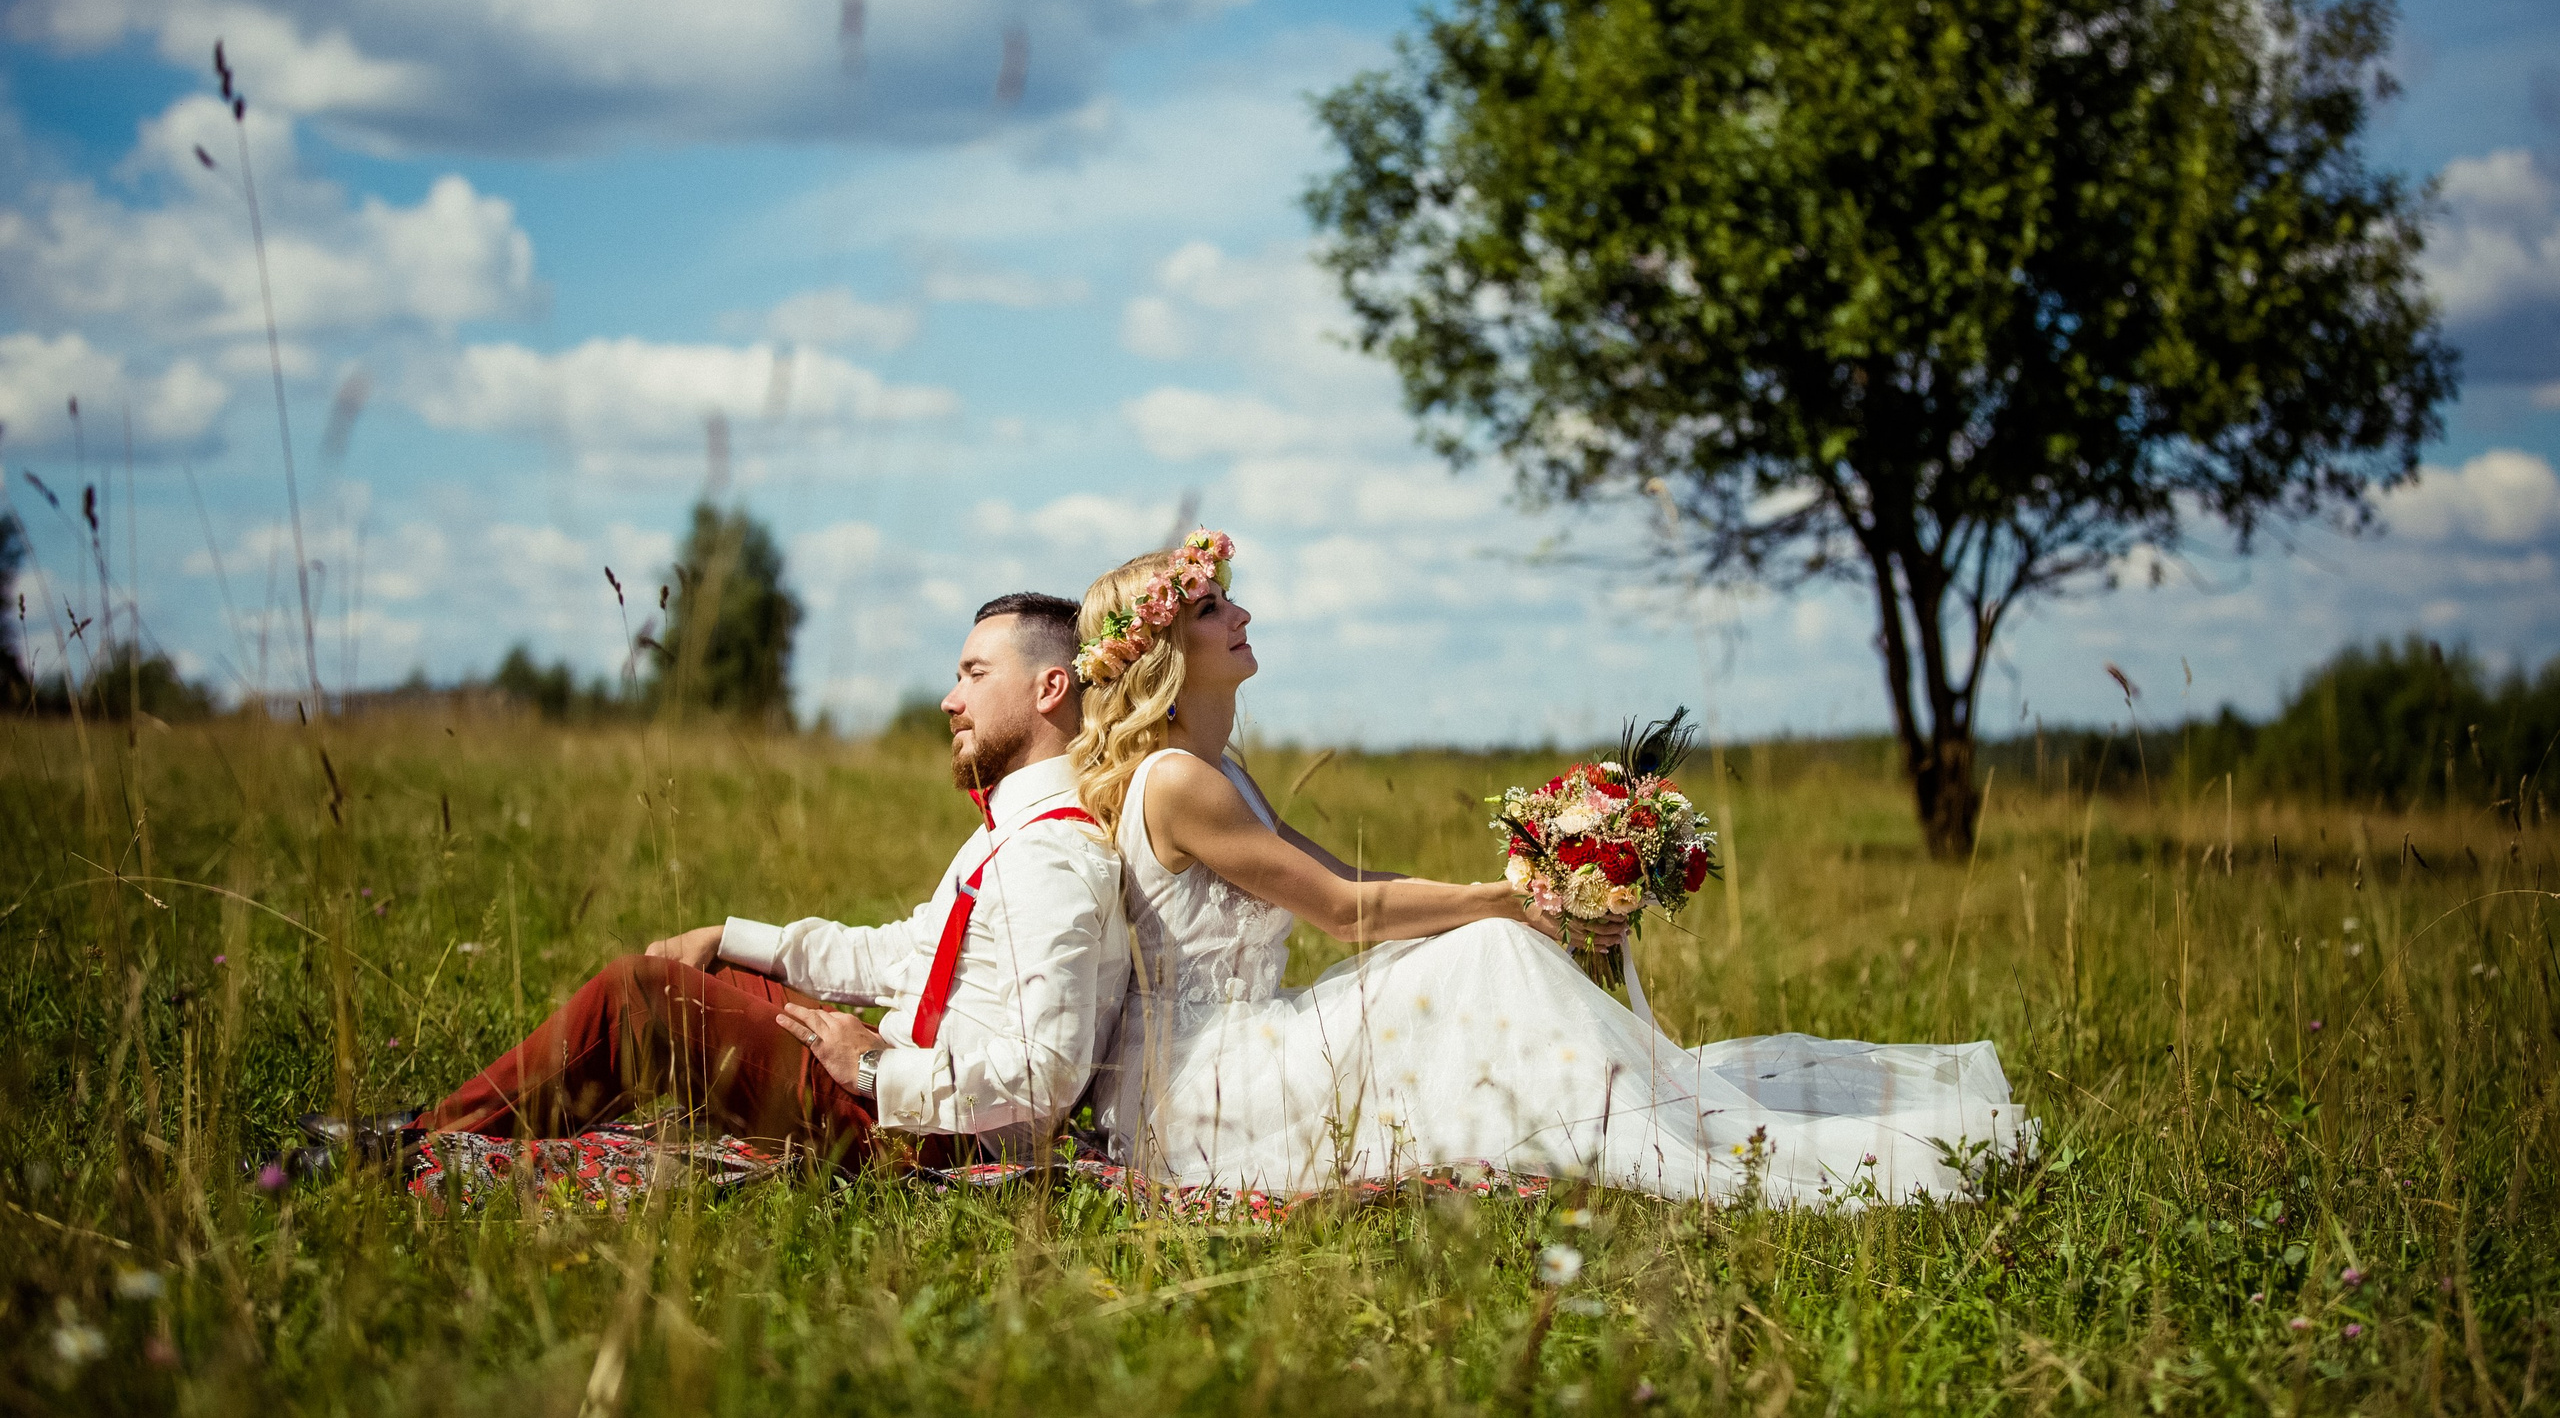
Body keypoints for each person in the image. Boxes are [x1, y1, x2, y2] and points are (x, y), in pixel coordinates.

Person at [1074, 530, 2028, 1205]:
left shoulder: (1220, 770)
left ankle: (1632, 1100)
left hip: (1255, 1039)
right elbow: (1340, 912)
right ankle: (1643, 1120)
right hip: (1199, 1084)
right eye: (1209, 607)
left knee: (1486, 947)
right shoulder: (1175, 782)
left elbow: (1354, 879)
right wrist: (1516, 901)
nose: (1240, 610)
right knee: (1493, 946)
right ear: (1160, 651)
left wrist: (1523, 891)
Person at [302, 592, 1127, 1172]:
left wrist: (875, 1070)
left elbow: (1048, 1069)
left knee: (643, 997)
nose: (950, 699)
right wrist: (737, 940)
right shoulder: (1009, 830)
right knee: (711, 973)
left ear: (1049, 687)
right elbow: (908, 953)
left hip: (927, 1132)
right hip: (903, 1087)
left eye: (974, 673)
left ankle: (413, 1143)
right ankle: (455, 1125)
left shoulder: (1057, 855)